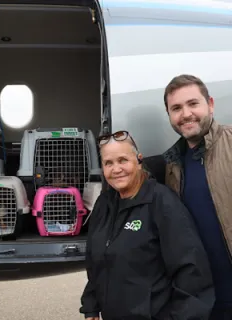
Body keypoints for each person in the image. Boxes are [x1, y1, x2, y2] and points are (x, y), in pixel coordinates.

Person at [79, 130, 215, 320]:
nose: (116, 169)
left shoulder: (162, 202)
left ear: (139, 160)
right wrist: (91, 306)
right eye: (108, 163)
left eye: (123, 160)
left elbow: (191, 271)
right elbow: (95, 262)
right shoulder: (104, 203)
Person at [163, 74, 232, 319]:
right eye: (177, 108)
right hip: (203, 303)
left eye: (193, 104)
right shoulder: (172, 165)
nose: (186, 114)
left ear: (210, 104)